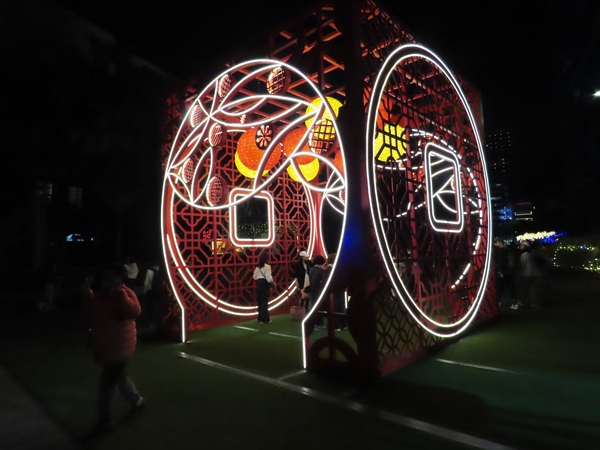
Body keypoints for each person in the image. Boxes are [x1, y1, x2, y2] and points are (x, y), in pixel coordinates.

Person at [82, 263, 146, 432]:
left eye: (111, 276)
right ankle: (137, 401)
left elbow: (135, 311)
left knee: (107, 384)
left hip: (119, 348)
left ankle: (106, 420)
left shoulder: (123, 293)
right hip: (110, 347)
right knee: (119, 378)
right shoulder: (104, 294)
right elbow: (93, 307)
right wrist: (87, 291)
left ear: (119, 279)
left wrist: (120, 295)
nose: (106, 279)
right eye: (105, 276)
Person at [513, 241, 541, 309]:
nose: (520, 246)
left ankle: (521, 301)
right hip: (534, 274)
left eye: (522, 245)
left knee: (523, 288)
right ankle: (533, 302)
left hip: (526, 274)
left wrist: (519, 273)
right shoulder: (531, 254)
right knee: (533, 289)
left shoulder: (524, 255)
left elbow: (523, 265)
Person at [323, 253, 346, 331]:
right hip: (340, 291)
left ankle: (336, 325)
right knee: (341, 308)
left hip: (332, 292)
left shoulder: (328, 270)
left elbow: (325, 283)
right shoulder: (339, 269)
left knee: (333, 308)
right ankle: (343, 324)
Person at [494, 238, 518, 308]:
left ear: (500, 243)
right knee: (511, 288)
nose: (495, 244)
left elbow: (501, 262)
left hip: (503, 272)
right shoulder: (508, 249)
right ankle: (514, 303)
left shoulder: (501, 251)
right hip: (509, 271)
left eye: (496, 243)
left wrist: (500, 271)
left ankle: (497, 302)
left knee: (499, 288)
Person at [253, 253, 274, 323]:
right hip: (264, 284)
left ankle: (259, 317)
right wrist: (272, 282)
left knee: (260, 301)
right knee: (264, 301)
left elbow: (254, 277)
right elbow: (268, 277)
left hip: (259, 283)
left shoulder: (257, 267)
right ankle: (265, 319)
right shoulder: (267, 266)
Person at [308, 255, 327, 328]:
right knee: (320, 307)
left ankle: (315, 323)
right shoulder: (321, 271)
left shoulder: (311, 270)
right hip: (319, 291)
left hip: (312, 290)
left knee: (313, 306)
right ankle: (319, 323)